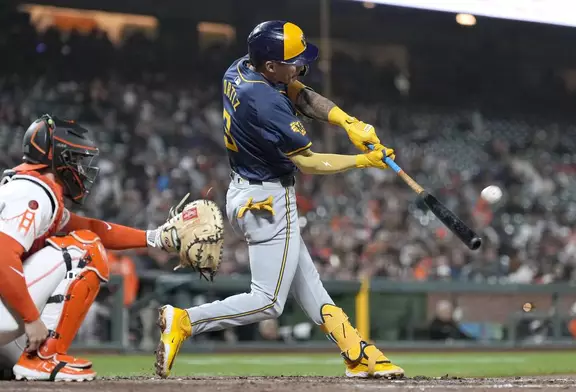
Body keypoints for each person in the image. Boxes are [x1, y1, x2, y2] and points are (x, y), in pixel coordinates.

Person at [155, 20, 404, 379]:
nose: (300, 66)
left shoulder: (240, 68)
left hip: (246, 191)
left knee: (308, 281)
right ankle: (185, 320)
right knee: (269, 301)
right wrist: (364, 161)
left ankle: (357, 353)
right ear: (271, 66)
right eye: (293, 61)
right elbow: (308, 161)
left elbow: (300, 92)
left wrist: (348, 122)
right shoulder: (267, 102)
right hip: (268, 200)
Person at [0, 115, 170, 381]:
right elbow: (2, 256)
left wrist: (155, 237)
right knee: (86, 249)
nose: (81, 168)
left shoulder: (31, 188)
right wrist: (32, 318)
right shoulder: (33, 193)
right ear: (59, 159)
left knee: (86, 236)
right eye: (76, 159)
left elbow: (94, 226)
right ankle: (44, 359)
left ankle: (15, 359)